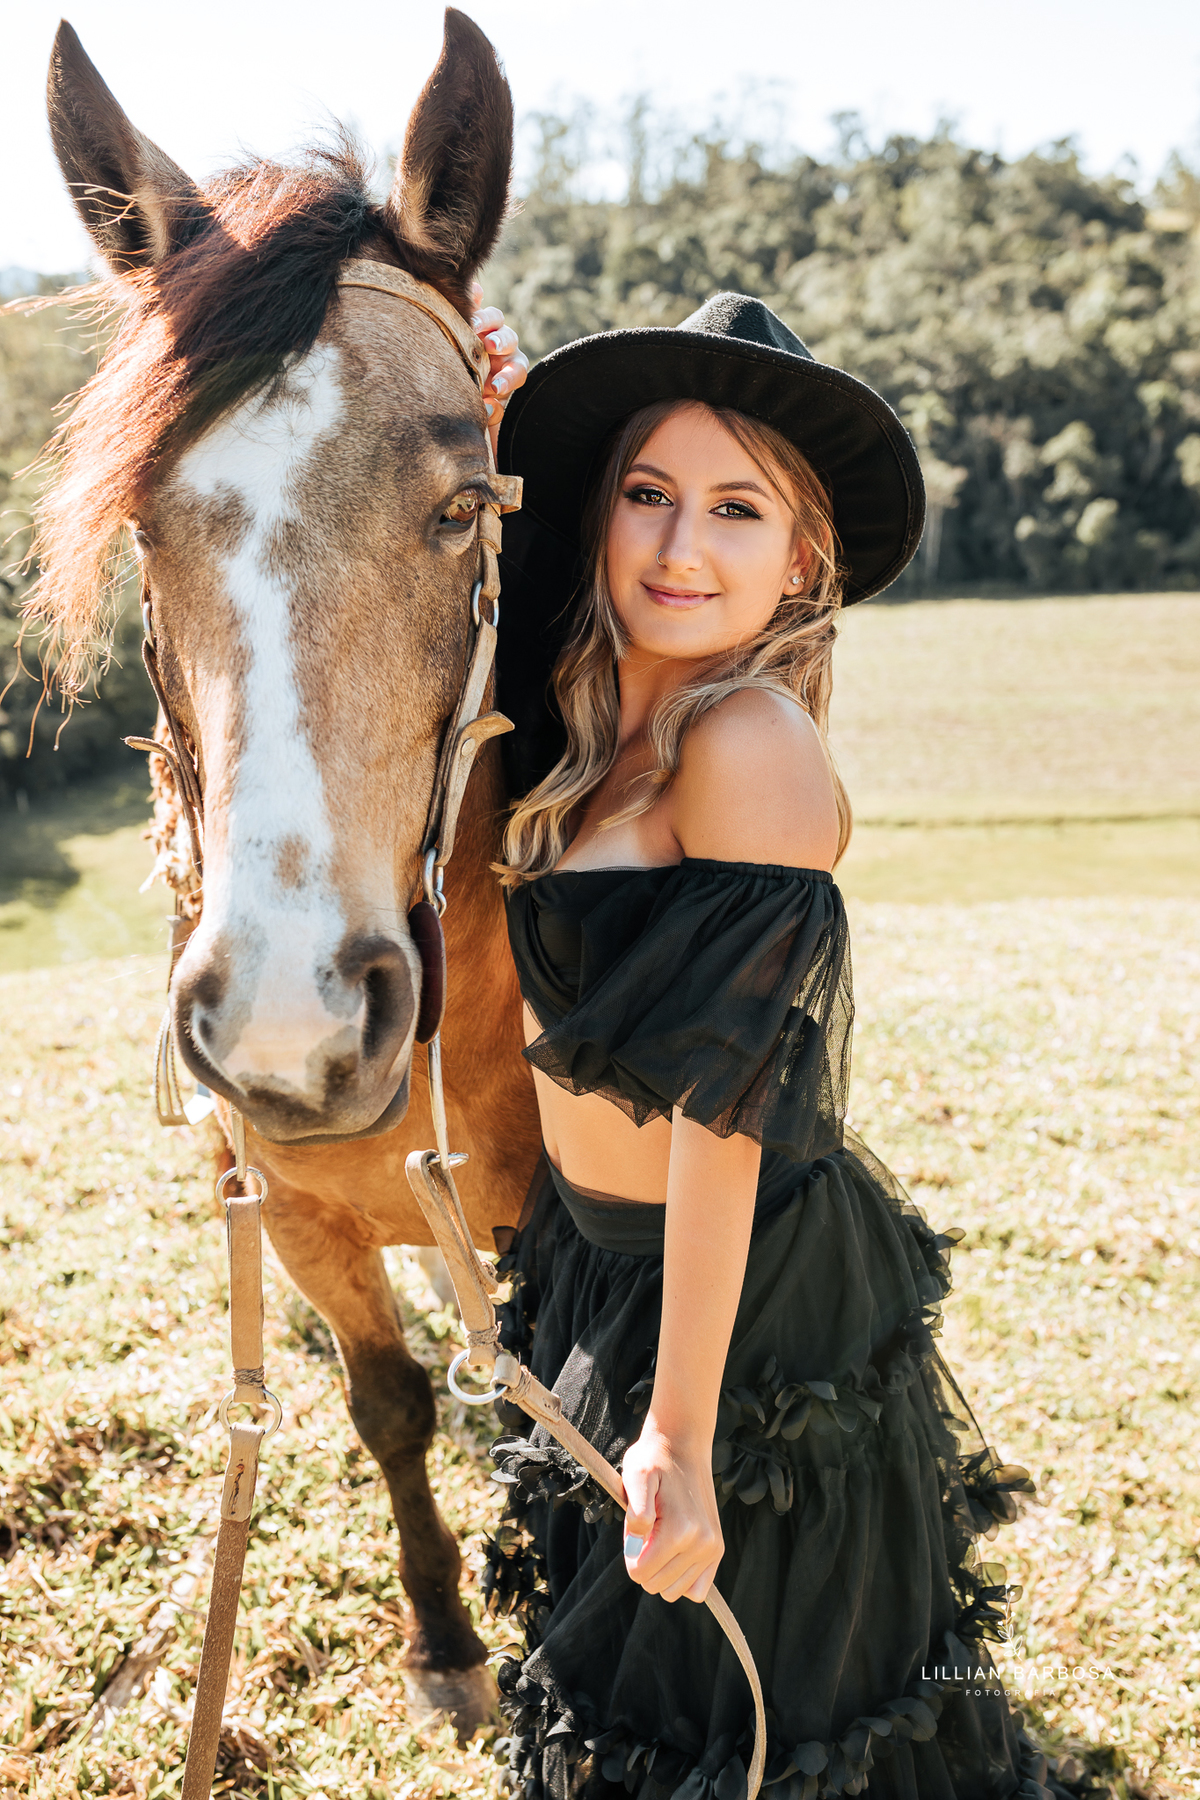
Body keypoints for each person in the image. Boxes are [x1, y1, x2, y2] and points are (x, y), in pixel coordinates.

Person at [478, 294, 1087, 1800]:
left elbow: (724, 1116)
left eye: (736, 509)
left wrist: (682, 1429)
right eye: (647, 493)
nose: (680, 546)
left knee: (751, 1710)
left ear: (801, 560)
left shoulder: (742, 744)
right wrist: (488, 417)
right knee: (630, 1678)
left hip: (735, 1302)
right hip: (594, 1257)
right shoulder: (596, 722)